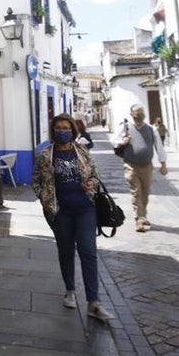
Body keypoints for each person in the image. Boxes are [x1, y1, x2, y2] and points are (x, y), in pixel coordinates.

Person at [32, 113, 115, 322]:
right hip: (61, 213)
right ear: (54, 131)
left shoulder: (82, 152)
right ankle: (70, 290)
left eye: (66, 128)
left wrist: (92, 184)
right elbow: (36, 182)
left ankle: (93, 302)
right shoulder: (45, 155)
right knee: (66, 251)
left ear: (72, 130)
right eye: (58, 128)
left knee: (88, 252)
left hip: (86, 209)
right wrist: (46, 199)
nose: (62, 131)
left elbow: (95, 175)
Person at [115, 105, 167, 232]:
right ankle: (139, 219)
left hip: (147, 166)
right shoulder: (125, 127)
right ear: (132, 114)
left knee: (145, 193)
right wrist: (123, 142)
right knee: (136, 191)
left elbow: (158, 146)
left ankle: (142, 216)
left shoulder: (151, 129)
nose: (141, 115)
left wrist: (163, 163)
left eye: (142, 113)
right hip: (131, 165)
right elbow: (114, 140)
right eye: (138, 113)